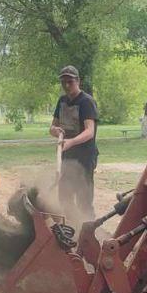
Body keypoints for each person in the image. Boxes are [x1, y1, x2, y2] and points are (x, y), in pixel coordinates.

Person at [49, 64, 99, 220]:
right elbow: (52, 126)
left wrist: (71, 142)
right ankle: (72, 228)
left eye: (70, 81)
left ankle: (89, 231)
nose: (66, 85)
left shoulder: (86, 102)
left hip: (84, 157)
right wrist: (56, 131)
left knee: (84, 198)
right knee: (65, 196)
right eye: (63, 82)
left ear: (78, 81)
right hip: (66, 156)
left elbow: (89, 131)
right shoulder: (62, 101)